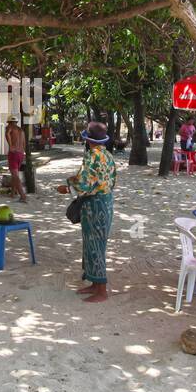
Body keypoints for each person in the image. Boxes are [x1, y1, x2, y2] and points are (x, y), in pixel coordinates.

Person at [61, 121, 117, 303]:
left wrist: (68, 185)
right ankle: (94, 283)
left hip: (94, 205)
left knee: (95, 245)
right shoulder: (107, 155)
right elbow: (111, 180)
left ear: (88, 139)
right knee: (94, 243)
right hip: (105, 202)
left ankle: (102, 290)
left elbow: (84, 182)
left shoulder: (91, 156)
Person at [4, 116, 28, 202]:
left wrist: (10, 146)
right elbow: (24, 143)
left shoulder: (10, 127)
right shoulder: (21, 130)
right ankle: (13, 193)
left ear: (9, 122)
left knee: (15, 175)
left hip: (14, 153)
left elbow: (7, 134)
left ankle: (23, 196)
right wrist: (23, 153)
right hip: (21, 153)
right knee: (15, 174)